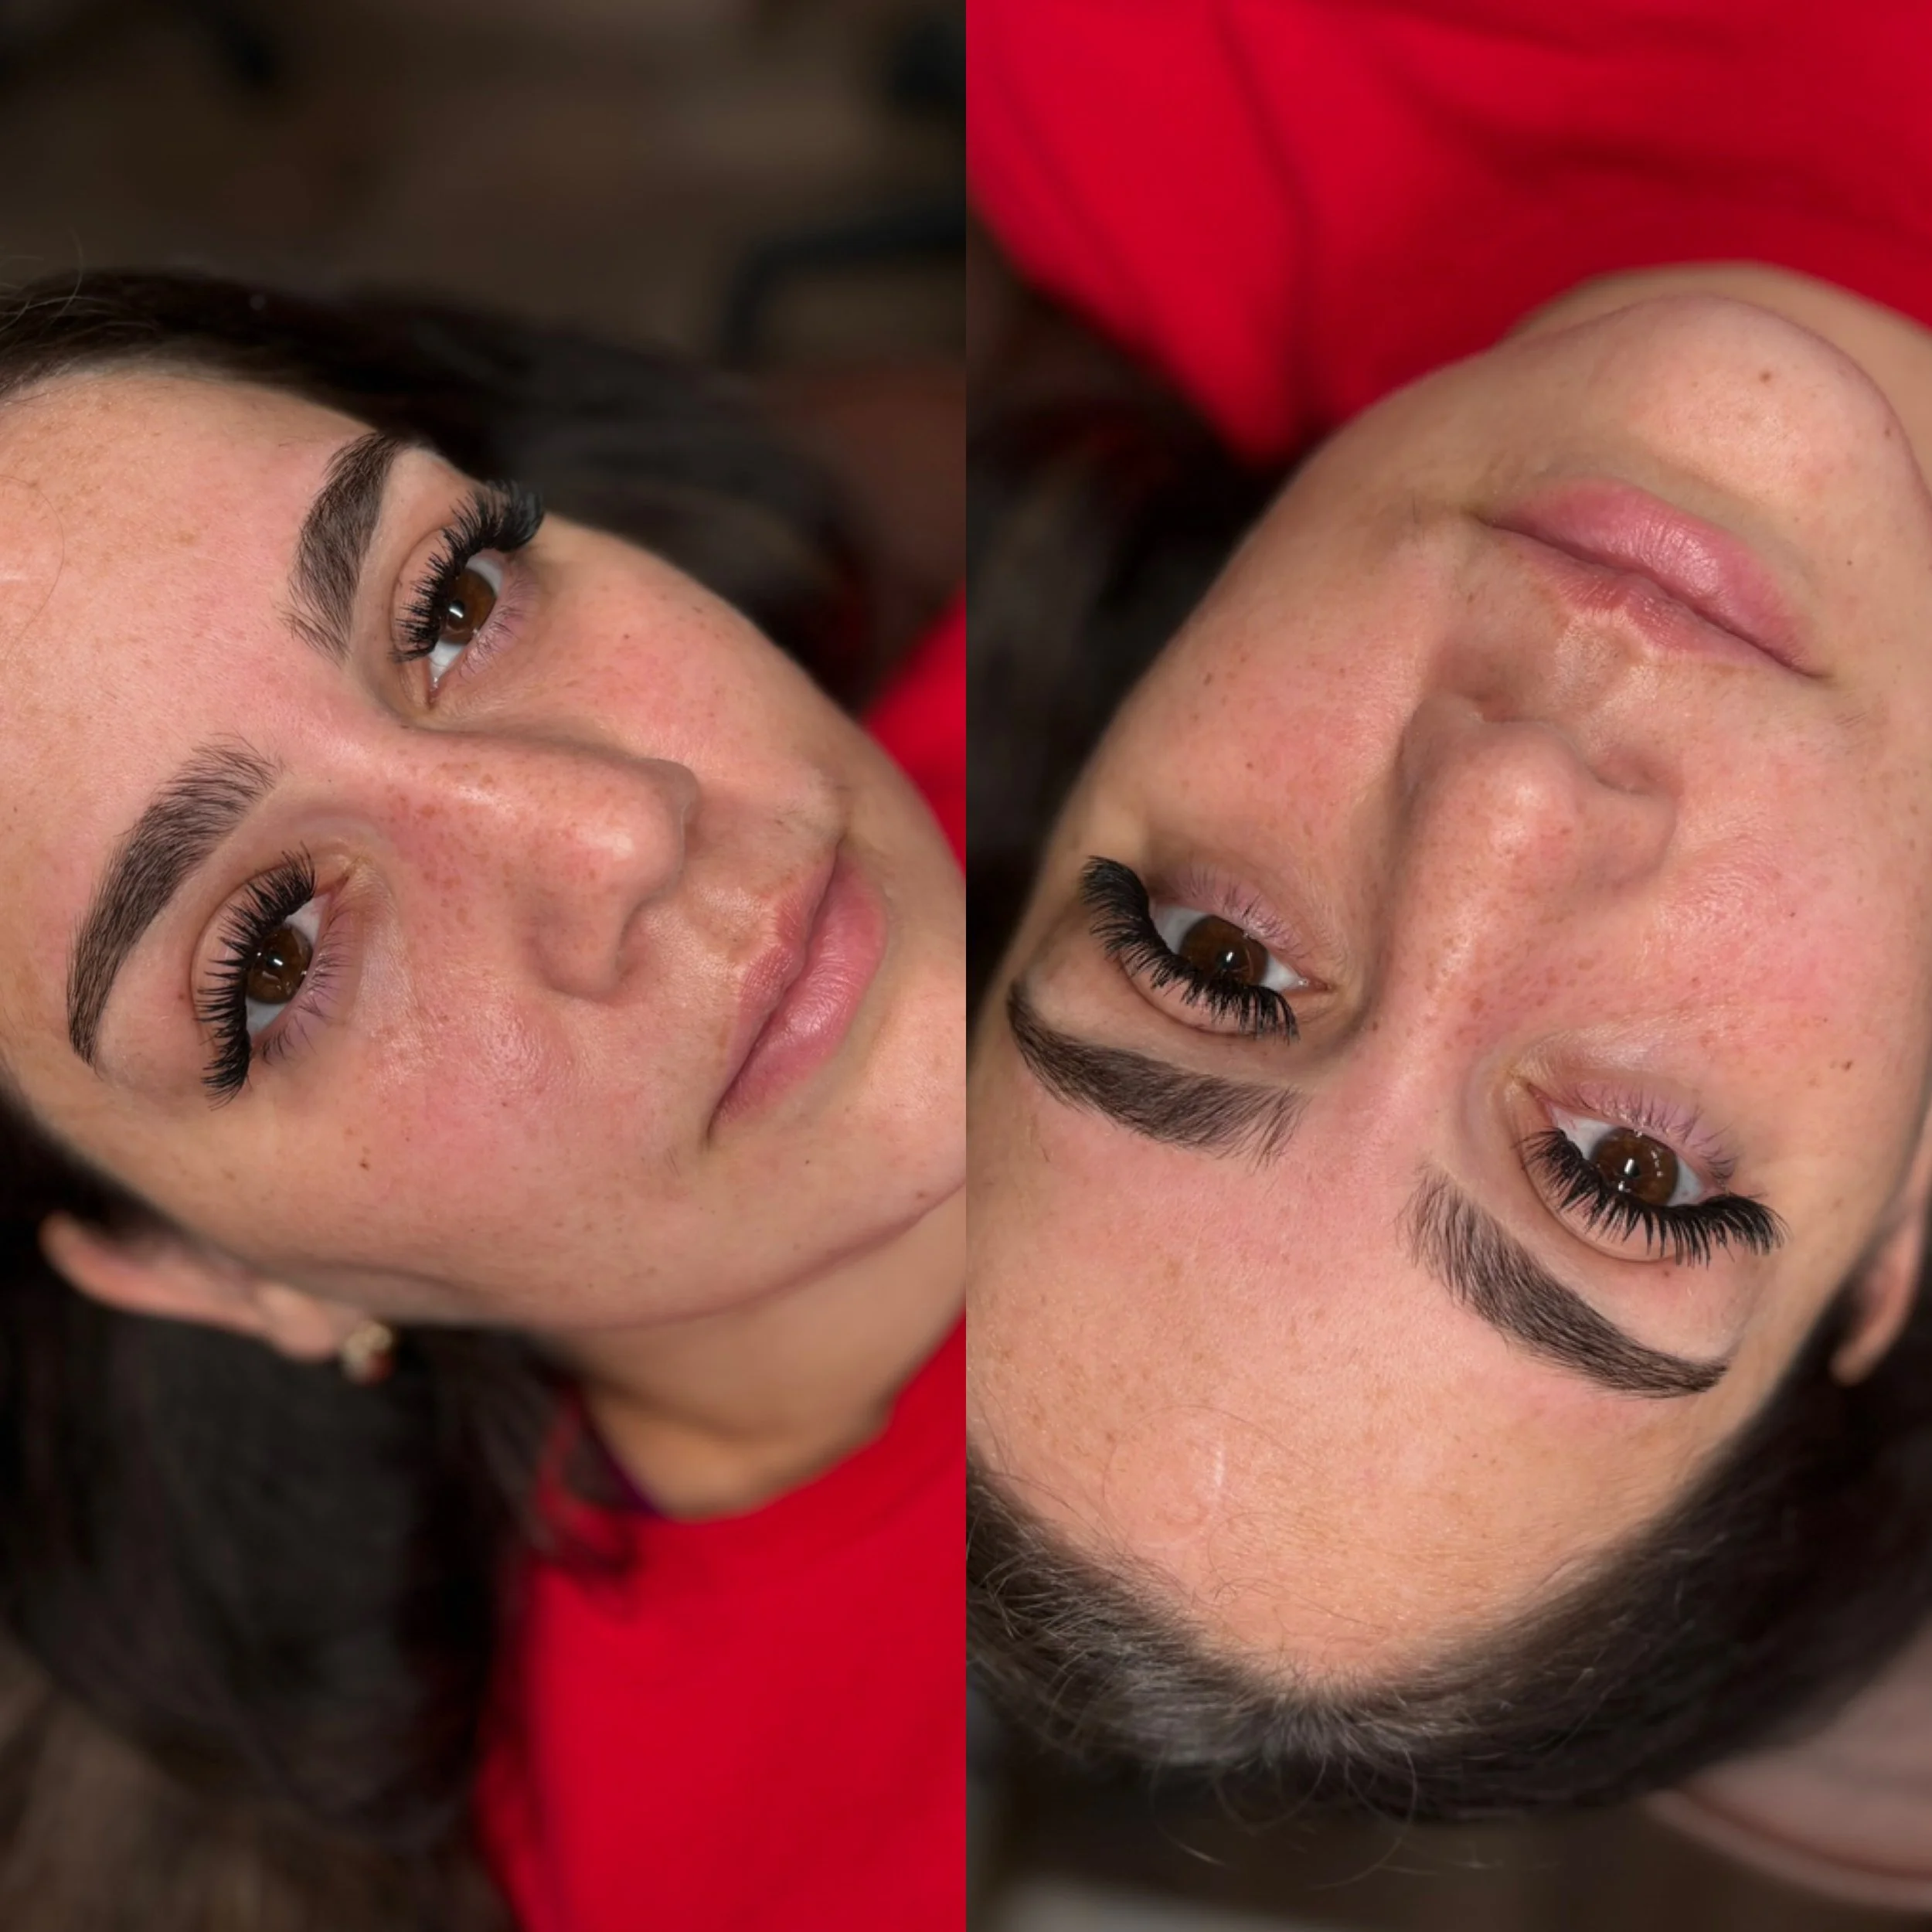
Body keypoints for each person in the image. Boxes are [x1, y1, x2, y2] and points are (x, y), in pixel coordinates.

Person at [964, 0, 1932, 1854]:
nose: (1505, 806)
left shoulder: (1111, 88)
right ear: (1900, 1208)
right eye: (1623, 1165)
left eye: (1211, 962)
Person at [0, 268, 964, 1931]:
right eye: (275, 955)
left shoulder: (1201, 708)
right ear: (210, 1271)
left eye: (450, 600)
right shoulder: (736, 1872)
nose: (618, 829)